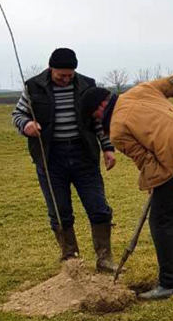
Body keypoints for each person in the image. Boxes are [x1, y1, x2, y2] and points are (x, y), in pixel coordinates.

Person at [83, 75, 173, 300]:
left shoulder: (117, 130)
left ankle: (169, 282)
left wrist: (153, 181)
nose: (97, 123)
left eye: (95, 118)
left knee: (161, 220)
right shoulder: (142, 89)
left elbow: (146, 160)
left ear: (100, 107)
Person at [11, 48, 118, 273]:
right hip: (51, 160)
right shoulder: (33, 87)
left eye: (70, 75)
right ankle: (72, 262)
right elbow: (18, 115)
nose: (66, 79)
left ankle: (105, 259)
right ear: (51, 69)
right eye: (61, 75)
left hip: (84, 157)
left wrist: (108, 148)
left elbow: (98, 120)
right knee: (60, 212)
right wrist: (26, 125)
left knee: (99, 208)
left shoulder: (87, 85)